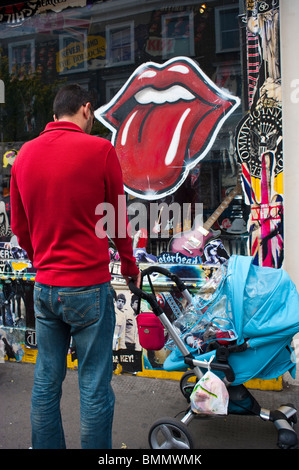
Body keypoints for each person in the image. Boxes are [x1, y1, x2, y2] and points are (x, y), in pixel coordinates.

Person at [10, 83, 141, 449]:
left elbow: (20, 227)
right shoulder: (99, 150)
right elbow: (116, 221)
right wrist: (130, 267)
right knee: (94, 386)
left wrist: (42, 261)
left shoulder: (24, 156)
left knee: (45, 383)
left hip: (46, 287)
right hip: (88, 290)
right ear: (86, 109)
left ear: (54, 116)